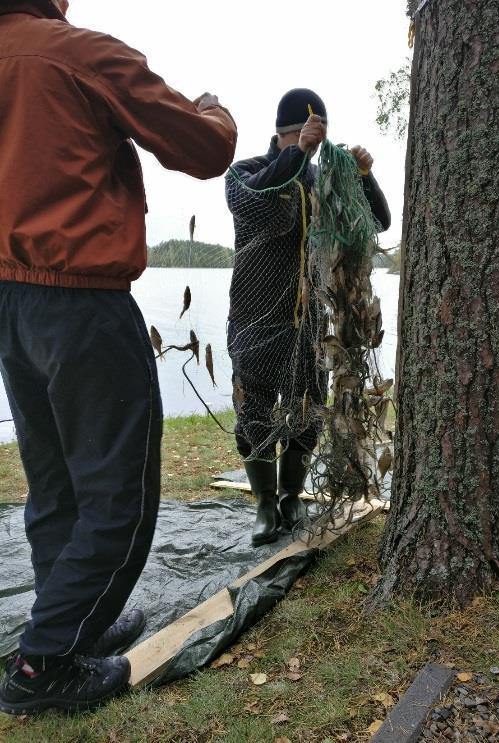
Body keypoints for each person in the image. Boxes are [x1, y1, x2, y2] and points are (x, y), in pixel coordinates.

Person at [0, 0, 237, 715]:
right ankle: (42, 666)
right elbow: (202, 148)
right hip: (81, 302)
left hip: (11, 304)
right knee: (120, 497)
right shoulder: (75, 54)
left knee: (56, 486)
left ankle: (76, 624)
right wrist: (215, 110)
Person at [226, 88, 390, 547]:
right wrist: (297, 156)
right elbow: (254, 202)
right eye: (304, 135)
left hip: (310, 322)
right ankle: (263, 506)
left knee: (308, 410)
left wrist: (363, 175)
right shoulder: (245, 173)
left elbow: (377, 221)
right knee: (254, 411)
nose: (315, 143)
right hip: (256, 316)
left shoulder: (322, 179)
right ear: (288, 132)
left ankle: (291, 495)